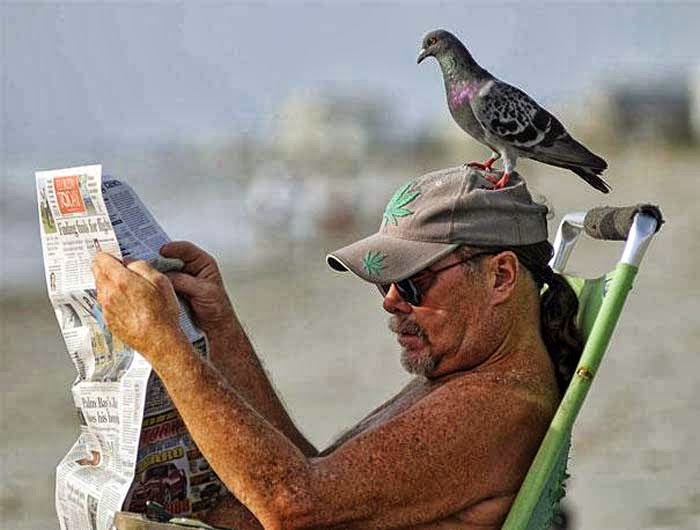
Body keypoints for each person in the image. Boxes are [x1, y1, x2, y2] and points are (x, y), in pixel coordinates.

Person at [92, 167, 582, 529]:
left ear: (500, 276)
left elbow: (293, 506)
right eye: (384, 282)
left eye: (413, 282)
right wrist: (220, 327)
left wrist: (165, 344)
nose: (391, 302)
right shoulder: (467, 380)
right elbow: (314, 475)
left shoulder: (494, 404)